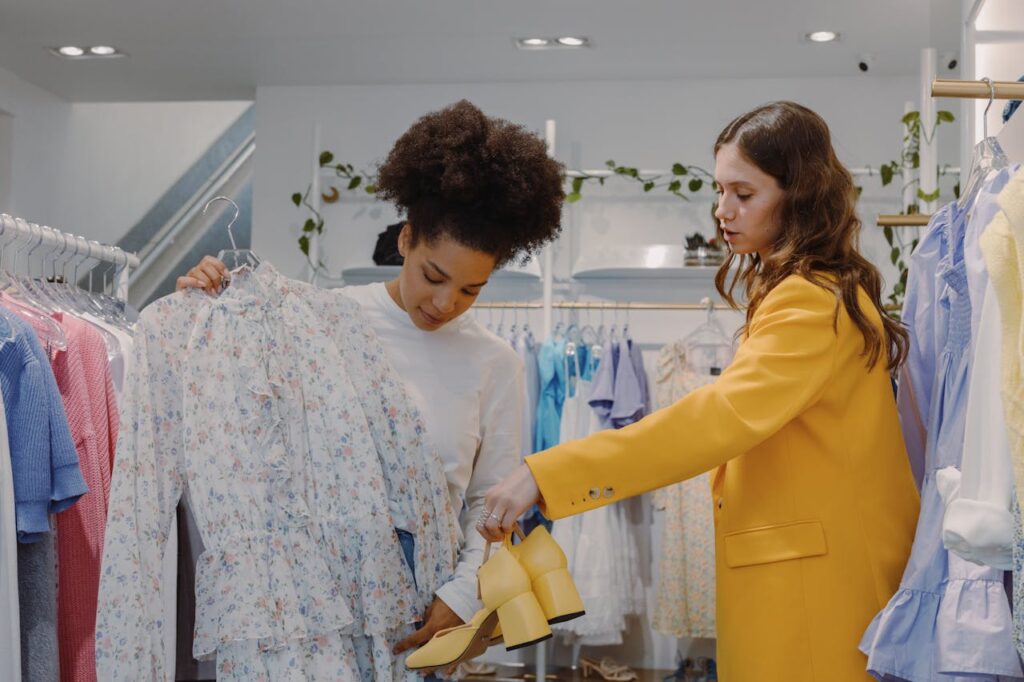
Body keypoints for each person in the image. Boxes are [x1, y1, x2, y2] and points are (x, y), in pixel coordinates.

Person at [478, 101, 921, 681]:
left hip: (815, 585)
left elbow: (714, 419)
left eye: (743, 193)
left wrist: (547, 473)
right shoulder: (817, 289)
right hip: (815, 570)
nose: (722, 211)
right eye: (719, 192)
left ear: (800, 195)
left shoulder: (808, 300)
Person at [176, 100, 565, 665]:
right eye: (434, 275)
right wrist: (203, 306)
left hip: (420, 610)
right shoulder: (316, 320)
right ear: (406, 240)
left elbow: (490, 498)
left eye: (470, 290)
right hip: (305, 602)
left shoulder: (494, 361)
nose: (444, 303)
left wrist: (460, 595)